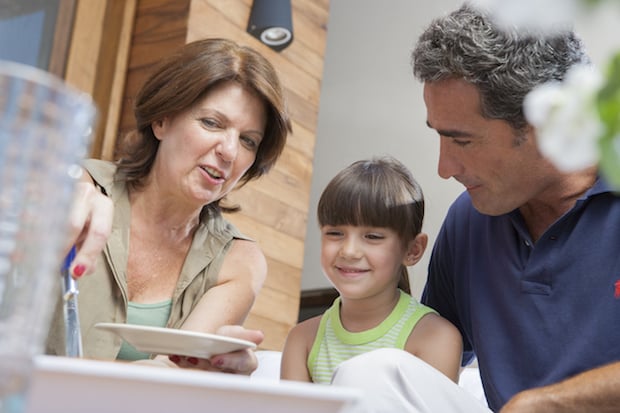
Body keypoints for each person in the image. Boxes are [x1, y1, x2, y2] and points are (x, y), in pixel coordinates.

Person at [411, 3, 620, 412]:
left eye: (463, 141)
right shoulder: (467, 221)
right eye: (439, 136)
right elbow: (427, 367)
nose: (444, 168)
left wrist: (548, 404)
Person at [46, 37, 292, 375]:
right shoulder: (78, 187)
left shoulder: (238, 261)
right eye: (212, 123)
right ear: (162, 120)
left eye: (248, 140)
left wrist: (216, 378)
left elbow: (170, 377)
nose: (230, 152)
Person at [280, 156, 489, 412]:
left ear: (413, 250)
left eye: (373, 237)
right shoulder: (302, 340)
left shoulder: (435, 337)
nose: (349, 251)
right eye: (335, 233)